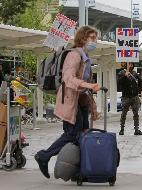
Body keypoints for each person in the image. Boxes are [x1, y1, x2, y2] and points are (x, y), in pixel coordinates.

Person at [34, 26, 101, 178]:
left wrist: (93, 108)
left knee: (82, 136)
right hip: (71, 102)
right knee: (72, 135)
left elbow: (88, 88)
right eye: (92, 38)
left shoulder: (86, 59)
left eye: (95, 39)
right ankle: (44, 156)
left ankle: (78, 170)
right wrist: (89, 85)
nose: (94, 42)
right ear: (83, 39)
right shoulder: (74, 55)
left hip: (82, 103)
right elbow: (68, 79)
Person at [118, 62, 142, 136]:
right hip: (126, 97)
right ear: (126, 65)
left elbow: (140, 82)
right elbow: (119, 82)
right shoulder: (121, 72)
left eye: (131, 64)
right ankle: (122, 129)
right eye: (129, 64)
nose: (130, 66)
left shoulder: (134, 73)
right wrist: (124, 76)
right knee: (124, 113)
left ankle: (136, 129)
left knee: (136, 113)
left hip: (135, 96)